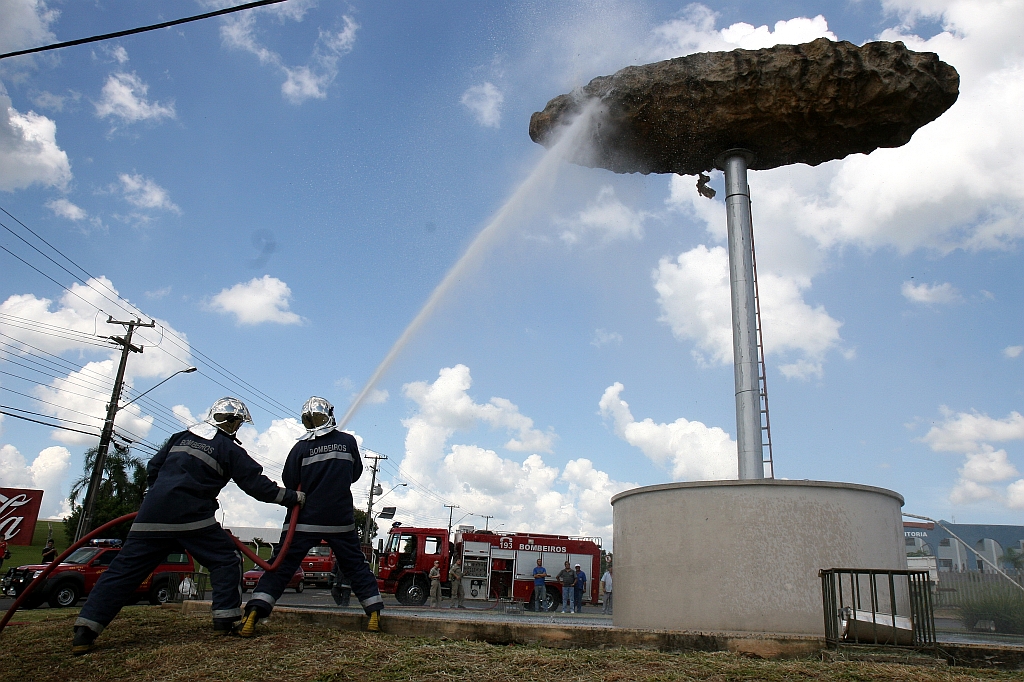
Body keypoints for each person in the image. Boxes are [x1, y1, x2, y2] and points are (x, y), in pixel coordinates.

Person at [72, 397, 302, 655]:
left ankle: (85, 631)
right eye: (237, 422)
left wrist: (160, 495)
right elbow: (256, 485)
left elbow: (153, 468)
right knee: (226, 559)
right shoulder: (229, 449)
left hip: (150, 516)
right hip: (193, 518)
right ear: (232, 422)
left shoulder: (180, 437)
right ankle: (225, 620)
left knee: (123, 572)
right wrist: (293, 498)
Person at [240, 397, 384, 636]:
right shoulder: (348, 442)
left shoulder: (300, 448)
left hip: (303, 520)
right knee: (356, 566)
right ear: (330, 414)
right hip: (340, 520)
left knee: (281, 567)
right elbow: (355, 474)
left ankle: (255, 612)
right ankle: (374, 613)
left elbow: (289, 480)